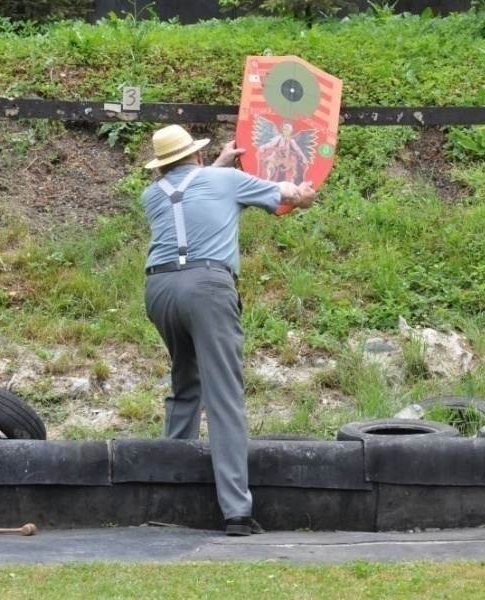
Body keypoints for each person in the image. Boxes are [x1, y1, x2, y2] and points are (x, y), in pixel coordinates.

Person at [141, 125, 316, 536]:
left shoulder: (153, 195)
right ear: (198, 155)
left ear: (162, 165)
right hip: (207, 288)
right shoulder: (228, 180)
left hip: (159, 290)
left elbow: (191, 190)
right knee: (224, 397)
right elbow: (289, 195)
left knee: (186, 384)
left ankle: (171, 497)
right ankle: (236, 512)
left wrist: (218, 166)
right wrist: (304, 194)